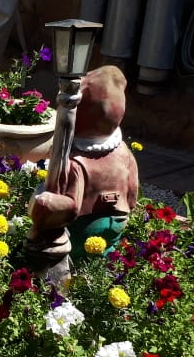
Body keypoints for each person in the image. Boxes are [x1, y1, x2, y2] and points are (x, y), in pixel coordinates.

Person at [27, 65, 139, 277]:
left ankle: (74, 281)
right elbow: (132, 193)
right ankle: (103, 277)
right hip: (117, 221)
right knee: (105, 259)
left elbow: (71, 206)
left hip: (86, 225)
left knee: (77, 260)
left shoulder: (76, 163)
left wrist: (44, 202)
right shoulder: (124, 152)